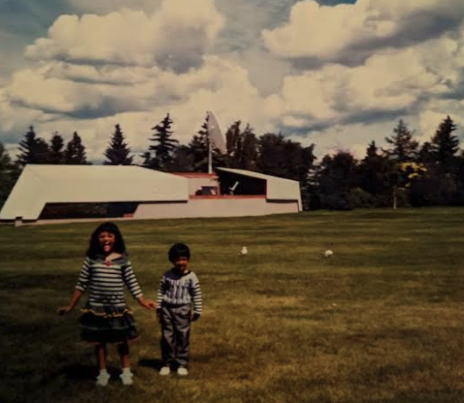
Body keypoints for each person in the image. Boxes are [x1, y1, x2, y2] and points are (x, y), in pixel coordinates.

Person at [57, 222, 156, 386]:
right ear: (97, 239)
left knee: (122, 341)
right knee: (99, 342)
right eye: (102, 236)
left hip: (117, 308)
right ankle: (102, 373)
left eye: (109, 236)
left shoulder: (123, 260)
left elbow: (132, 283)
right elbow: (81, 284)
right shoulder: (91, 260)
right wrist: (70, 306)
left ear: (116, 239)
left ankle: (126, 372)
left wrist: (143, 301)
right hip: (96, 308)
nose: (106, 239)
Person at [156, 243, 202, 376]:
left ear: (187, 260)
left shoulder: (191, 277)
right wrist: (159, 308)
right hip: (167, 309)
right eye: (177, 260)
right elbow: (161, 291)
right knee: (167, 336)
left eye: (183, 259)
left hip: (183, 310)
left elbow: (196, 294)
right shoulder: (167, 275)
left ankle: (181, 362)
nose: (180, 262)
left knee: (182, 336)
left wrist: (198, 310)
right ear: (172, 260)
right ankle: (167, 362)